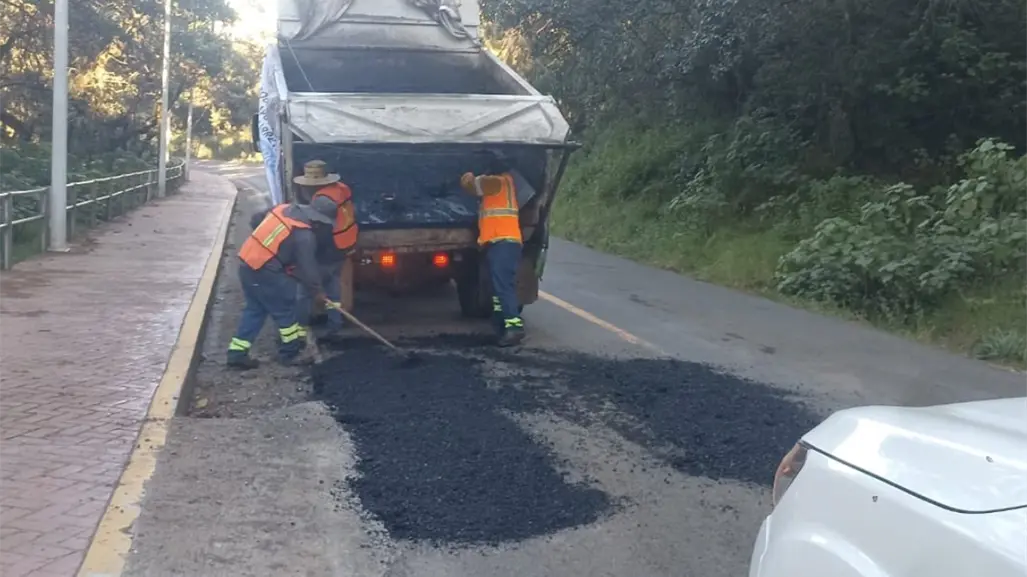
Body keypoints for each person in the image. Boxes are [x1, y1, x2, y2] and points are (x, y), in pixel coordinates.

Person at [226, 196, 339, 370]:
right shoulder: (304, 236)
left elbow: (256, 220)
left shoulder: (283, 210)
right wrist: (318, 292)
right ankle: (290, 353)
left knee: (255, 310)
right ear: (317, 220)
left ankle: (237, 353)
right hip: (265, 271)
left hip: (247, 264)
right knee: (286, 311)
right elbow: (308, 269)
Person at [460, 155, 525, 347]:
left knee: (503, 286)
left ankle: (514, 328)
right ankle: (501, 324)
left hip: (503, 242)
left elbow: (470, 185)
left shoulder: (496, 182)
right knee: (498, 287)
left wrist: (467, 171)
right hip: (499, 243)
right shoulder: (504, 183)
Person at [292, 159, 359, 339]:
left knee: (304, 293)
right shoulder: (340, 189)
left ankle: (300, 331)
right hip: (344, 246)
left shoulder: (322, 201)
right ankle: (334, 327)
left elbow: (320, 232)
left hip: (329, 251)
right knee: (333, 290)